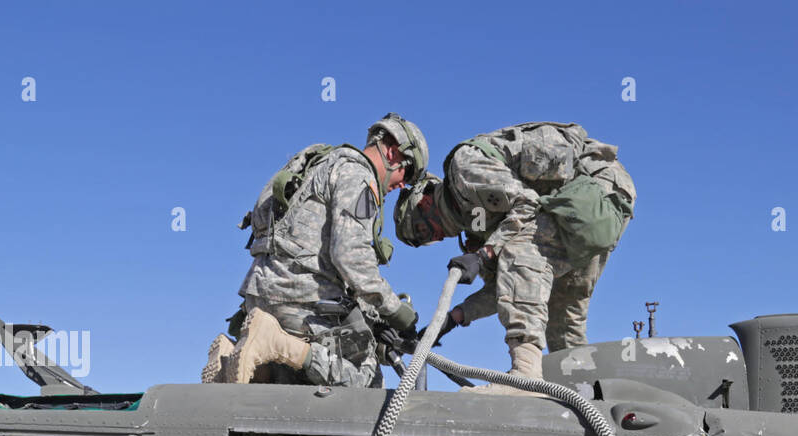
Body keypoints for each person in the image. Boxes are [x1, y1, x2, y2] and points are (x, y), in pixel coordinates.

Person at [393, 122, 636, 380]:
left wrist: (485, 253)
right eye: (424, 241)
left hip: (598, 187)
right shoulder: (480, 226)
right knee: (562, 317)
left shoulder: (464, 171)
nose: (435, 237)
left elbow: (526, 203)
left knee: (520, 253)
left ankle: (525, 376)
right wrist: (453, 318)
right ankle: (583, 393)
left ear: (426, 200)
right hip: (591, 208)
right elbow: (504, 288)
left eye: (422, 230)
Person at [202, 114, 428, 388]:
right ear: (393, 152)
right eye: (408, 172)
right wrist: (397, 312)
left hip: (260, 297)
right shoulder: (358, 176)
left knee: (300, 371)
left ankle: (247, 361)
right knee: (365, 379)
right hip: (302, 302)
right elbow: (351, 259)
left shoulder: (323, 164)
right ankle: (272, 341)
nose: (402, 185)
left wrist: (373, 319)